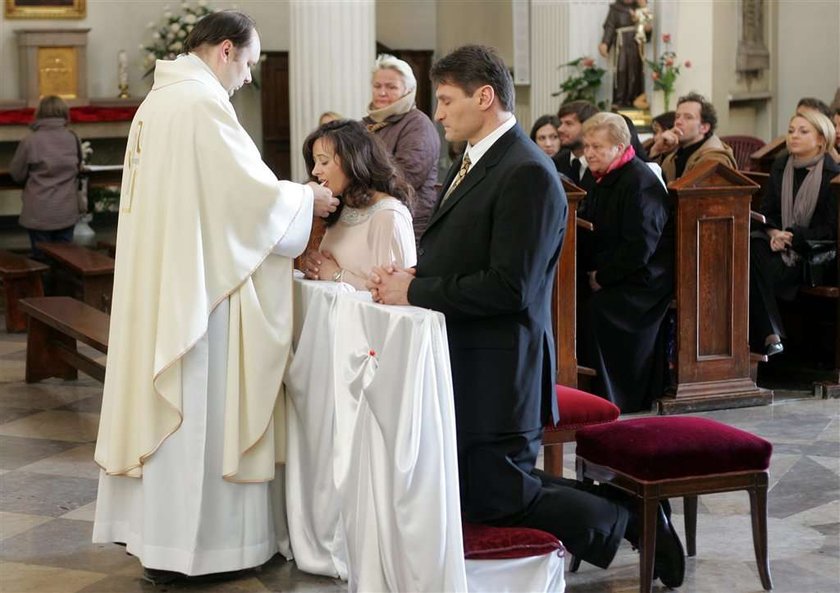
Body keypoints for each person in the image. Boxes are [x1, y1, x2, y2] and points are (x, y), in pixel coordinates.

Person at [367, 44, 685, 587]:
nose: (437, 113)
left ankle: (627, 515)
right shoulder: (478, 159)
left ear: (484, 96)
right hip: (469, 353)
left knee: (497, 494)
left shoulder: (526, 172)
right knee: (489, 486)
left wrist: (418, 291)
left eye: (445, 100)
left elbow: (512, 286)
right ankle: (624, 506)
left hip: (502, 363)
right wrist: (413, 278)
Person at [92, 11, 339, 583]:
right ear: (226, 50)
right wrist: (306, 199)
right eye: (249, 63)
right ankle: (203, 552)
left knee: (178, 418)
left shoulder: (159, 102)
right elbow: (247, 200)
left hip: (171, 280)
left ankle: (162, 543)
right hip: (197, 295)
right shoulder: (200, 105)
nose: (249, 77)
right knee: (199, 411)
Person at [577, 113, 674, 413]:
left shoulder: (640, 183)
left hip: (643, 280)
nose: (588, 153)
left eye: (597, 147)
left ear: (620, 148)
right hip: (612, 270)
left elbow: (639, 249)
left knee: (596, 309)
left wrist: (602, 277)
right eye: (586, 146)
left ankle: (615, 396)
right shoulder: (599, 177)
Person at [749, 110, 839, 356]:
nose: (794, 137)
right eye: (791, 131)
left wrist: (792, 236)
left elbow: (831, 230)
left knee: (749, 264)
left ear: (821, 139)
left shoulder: (833, 174)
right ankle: (770, 334)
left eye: (803, 131)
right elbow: (767, 211)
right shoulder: (782, 164)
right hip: (778, 246)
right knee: (751, 248)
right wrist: (775, 232)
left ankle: (769, 334)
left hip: (813, 255)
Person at [299, 120, 417, 289]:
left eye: (323, 162)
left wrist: (335, 274)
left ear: (352, 161)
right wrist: (317, 270)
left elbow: (396, 294)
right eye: (315, 162)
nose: (315, 171)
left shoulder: (389, 216)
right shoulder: (340, 207)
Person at [362, 54, 440, 244]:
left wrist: (354, 187)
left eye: (391, 87)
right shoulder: (363, 125)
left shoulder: (418, 124)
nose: (382, 92)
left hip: (408, 224)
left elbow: (405, 178)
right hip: (369, 218)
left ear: (408, 91)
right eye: (377, 86)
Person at [9, 95, 83, 260]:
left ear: (39, 113)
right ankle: (64, 285)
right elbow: (78, 167)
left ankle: (43, 284)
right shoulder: (72, 138)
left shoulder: (30, 141)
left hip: (39, 213)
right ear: (65, 113)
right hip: (66, 211)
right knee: (66, 260)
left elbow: (17, 174)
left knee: (41, 259)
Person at [649, 92, 737, 183]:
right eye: (677, 116)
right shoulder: (673, 156)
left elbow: (689, 193)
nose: (678, 122)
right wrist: (656, 151)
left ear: (704, 128)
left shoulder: (714, 159)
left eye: (688, 117)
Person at [599, 0, 653, 108]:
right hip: (622, 43)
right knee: (621, 70)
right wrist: (605, 43)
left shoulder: (640, 8)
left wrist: (648, 29)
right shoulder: (615, 9)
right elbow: (609, 27)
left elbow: (646, 27)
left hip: (636, 43)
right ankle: (619, 100)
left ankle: (635, 99)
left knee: (635, 71)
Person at [553, 100, 599, 193]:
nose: (560, 129)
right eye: (561, 123)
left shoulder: (601, 165)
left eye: (568, 123)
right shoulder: (556, 162)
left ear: (588, 127)